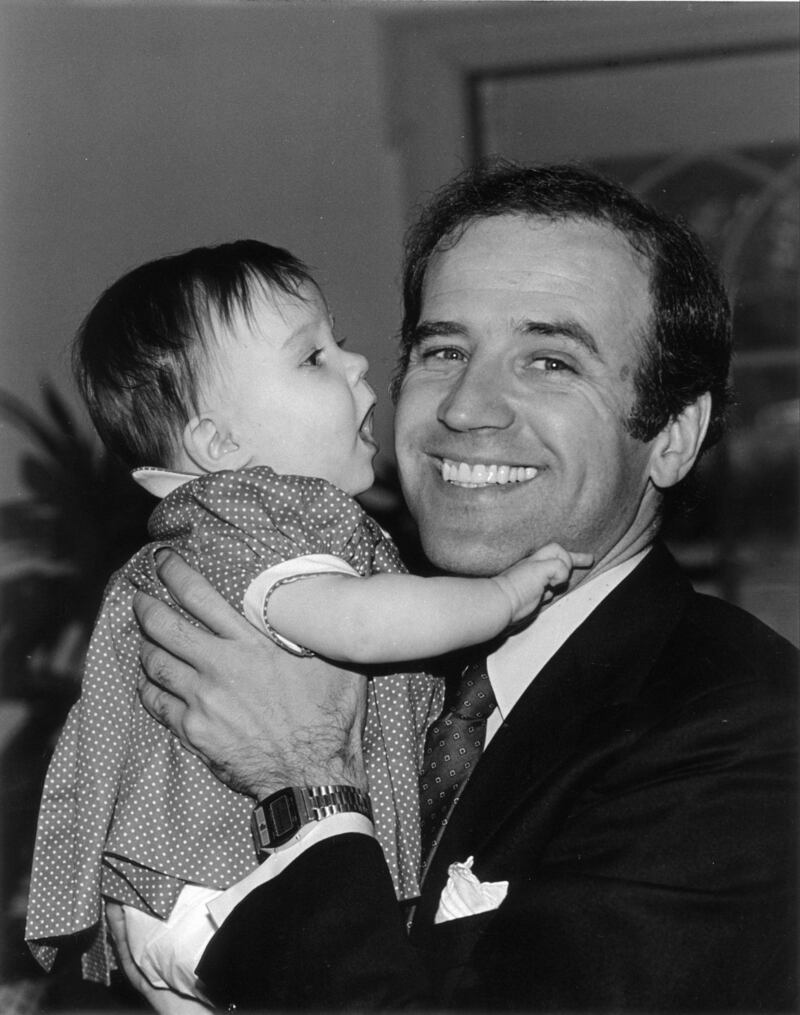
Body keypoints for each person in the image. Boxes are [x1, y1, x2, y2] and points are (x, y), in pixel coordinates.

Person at [117, 164, 797, 1011]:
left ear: (671, 436)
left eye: (550, 360)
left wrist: (307, 784)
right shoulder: (337, 633)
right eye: (443, 350)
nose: (469, 407)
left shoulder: (746, 723)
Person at [24, 239, 588, 1001]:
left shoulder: (263, 521)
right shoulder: (247, 515)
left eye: (342, 345)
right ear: (219, 444)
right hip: (222, 882)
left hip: (206, 893)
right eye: (312, 359)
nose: (356, 367)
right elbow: (354, 623)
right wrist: (506, 595)